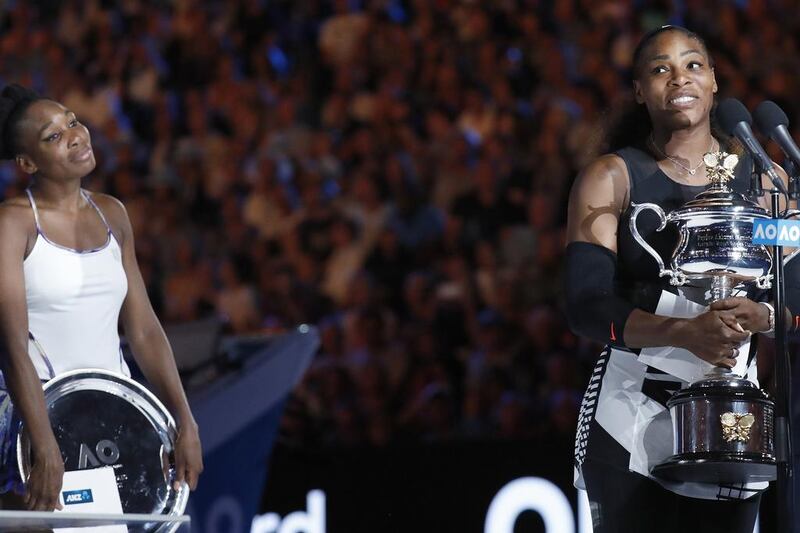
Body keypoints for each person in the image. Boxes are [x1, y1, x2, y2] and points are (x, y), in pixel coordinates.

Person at [565, 26, 795, 532]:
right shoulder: (612, 177)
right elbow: (585, 305)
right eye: (659, 69)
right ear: (639, 91)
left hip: (735, 413)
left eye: (693, 65)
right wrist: (684, 333)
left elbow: (794, 299)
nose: (679, 78)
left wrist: (766, 315)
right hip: (632, 415)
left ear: (713, 81)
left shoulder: (768, 181)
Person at [0, 84, 203, 510]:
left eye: (72, 121)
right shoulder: (12, 223)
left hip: (114, 417)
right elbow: (12, 345)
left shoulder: (113, 213)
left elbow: (144, 330)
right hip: (33, 422)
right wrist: (45, 444)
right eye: (52, 136)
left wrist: (184, 420)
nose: (75, 135)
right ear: (27, 163)